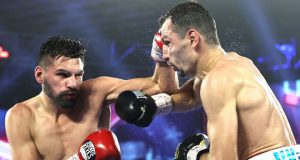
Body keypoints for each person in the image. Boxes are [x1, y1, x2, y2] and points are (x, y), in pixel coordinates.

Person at [114, 1, 299, 160]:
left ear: (193, 39)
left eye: (168, 43)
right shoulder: (237, 63)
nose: (165, 55)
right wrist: (154, 105)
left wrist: (194, 155)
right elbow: (190, 97)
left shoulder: (216, 81)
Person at [5, 35, 178, 159]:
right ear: (40, 75)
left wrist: (161, 51)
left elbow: (164, 87)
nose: (73, 83)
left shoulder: (97, 91)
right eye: (63, 75)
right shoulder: (21, 116)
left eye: (78, 75)